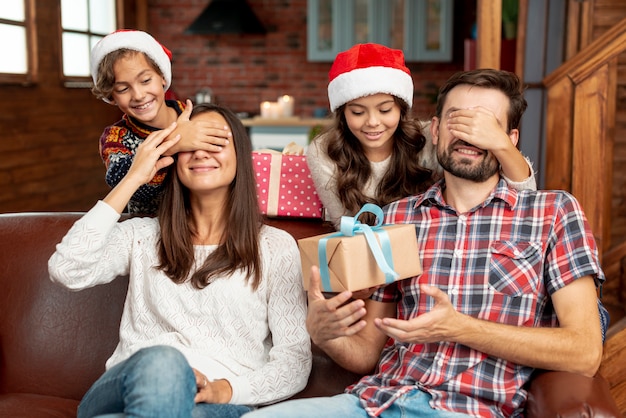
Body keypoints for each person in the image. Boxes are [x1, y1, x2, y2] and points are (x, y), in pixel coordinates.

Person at [243, 69, 606, 417]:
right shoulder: (398, 218)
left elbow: (585, 351)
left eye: (485, 124)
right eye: (458, 121)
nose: (469, 135)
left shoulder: (553, 212)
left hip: (467, 409)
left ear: (510, 139)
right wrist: (325, 335)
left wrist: (459, 327)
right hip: (373, 403)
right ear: (434, 131)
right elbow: (367, 352)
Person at [48, 103, 311, 418]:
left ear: (241, 156)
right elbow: (67, 269)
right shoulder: (142, 236)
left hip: (215, 403)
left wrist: (226, 389)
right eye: (189, 145)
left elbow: (293, 360)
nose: (201, 153)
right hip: (130, 382)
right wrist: (134, 176)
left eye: (215, 142)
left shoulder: (274, 247)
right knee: (165, 362)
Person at [307, 43, 536, 229]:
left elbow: (525, 195)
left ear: (401, 109)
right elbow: (346, 228)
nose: (373, 122)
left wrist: (500, 142)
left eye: (385, 110)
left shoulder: (429, 136)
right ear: (343, 113)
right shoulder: (323, 152)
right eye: (357, 112)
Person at [91, 29, 231, 214]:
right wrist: (173, 144)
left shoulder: (198, 118)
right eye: (123, 89)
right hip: (148, 232)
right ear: (111, 96)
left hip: (204, 227)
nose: (139, 95)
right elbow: (124, 184)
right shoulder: (116, 138)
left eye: (146, 80)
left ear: (163, 77)